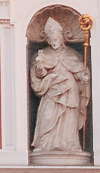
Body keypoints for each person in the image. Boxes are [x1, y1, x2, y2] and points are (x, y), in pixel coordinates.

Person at [30, 16, 89, 157]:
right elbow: (38, 76)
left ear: (62, 38)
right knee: (47, 116)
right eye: (50, 40)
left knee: (68, 119)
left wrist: (84, 76)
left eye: (55, 39)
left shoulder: (72, 54)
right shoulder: (43, 54)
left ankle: (69, 145)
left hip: (69, 90)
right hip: (51, 90)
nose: (53, 42)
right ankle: (44, 144)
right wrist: (39, 67)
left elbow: (80, 72)